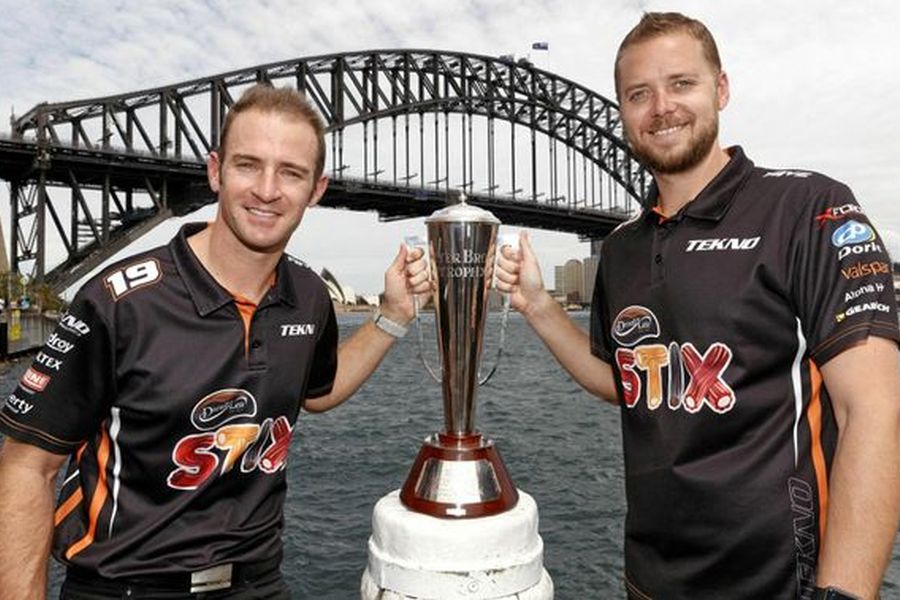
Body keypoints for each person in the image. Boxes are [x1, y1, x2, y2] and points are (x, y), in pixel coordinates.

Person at [496, 12, 900, 600]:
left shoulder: (806, 207)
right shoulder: (622, 247)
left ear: (722, 88)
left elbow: (874, 408)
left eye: (681, 83)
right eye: (639, 94)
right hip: (651, 581)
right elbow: (627, 381)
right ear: (623, 113)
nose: (661, 107)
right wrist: (536, 305)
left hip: (780, 585)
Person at [0, 84, 428, 599]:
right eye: (248, 165)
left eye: (290, 172)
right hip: (127, 587)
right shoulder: (120, 302)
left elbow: (319, 392)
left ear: (316, 189)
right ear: (214, 171)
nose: (267, 190)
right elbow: (27, 466)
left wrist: (393, 317)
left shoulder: (309, 296)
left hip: (258, 584)